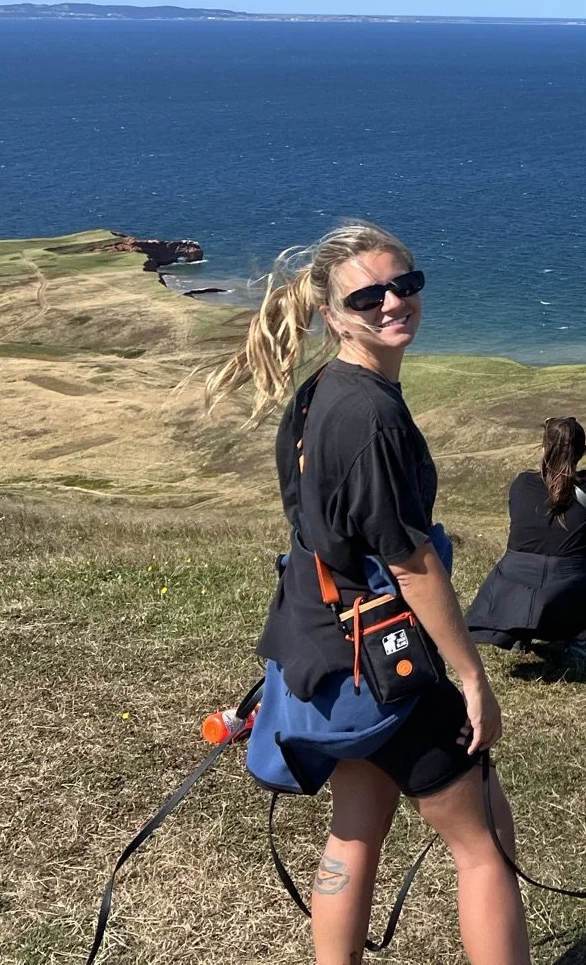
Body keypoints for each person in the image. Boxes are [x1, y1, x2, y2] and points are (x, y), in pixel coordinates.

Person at [207, 220, 527, 965]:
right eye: (369, 295)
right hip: (385, 664)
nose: (393, 303)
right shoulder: (371, 413)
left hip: (326, 655)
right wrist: (474, 680)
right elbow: (411, 564)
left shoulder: (320, 393)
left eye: (404, 285)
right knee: (485, 845)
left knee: (355, 832)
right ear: (331, 313)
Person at [466, 416, 586, 658]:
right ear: (582, 451)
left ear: (543, 448)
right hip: (562, 611)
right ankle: (579, 641)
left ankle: (520, 634)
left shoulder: (520, 485)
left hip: (506, 605)